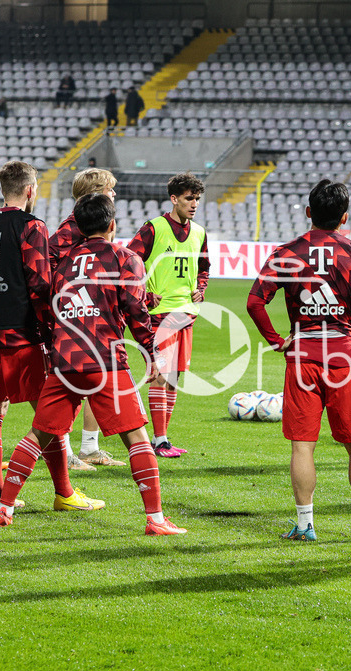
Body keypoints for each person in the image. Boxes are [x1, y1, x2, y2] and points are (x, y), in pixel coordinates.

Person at [0, 194, 187, 536]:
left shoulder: (63, 264)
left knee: (38, 434)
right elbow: (137, 313)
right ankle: (155, 519)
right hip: (105, 360)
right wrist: (153, 354)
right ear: (112, 224)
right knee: (138, 440)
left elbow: (51, 309)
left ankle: (4, 508)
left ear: (79, 228)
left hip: (65, 360)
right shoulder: (125, 259)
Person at [246, 179, 351, 541]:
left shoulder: (287, 253)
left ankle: (304, 525)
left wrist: (276, 341)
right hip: (345, 356)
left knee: (303, 444)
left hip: (303, 357)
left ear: (309, 212)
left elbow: (254, 302)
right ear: (344, 217)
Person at [0, 160, 101, 512]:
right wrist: (52, 333)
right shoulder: (32, 227)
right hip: (22, 335)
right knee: (48, 414)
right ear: (30, 190)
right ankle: (65, 493)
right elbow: (40, 284)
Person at [47, 167, 127, 468]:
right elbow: (49, 273)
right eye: (110, 188)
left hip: (97, 316)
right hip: (77, 319)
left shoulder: (91, 227)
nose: (114, 193)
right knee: (71, 389)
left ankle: (89, 448)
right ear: (95, 192)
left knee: (94, 383)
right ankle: (65, 452)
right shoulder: (69, 231)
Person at [127, 172, 210, 458]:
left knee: (173, 377)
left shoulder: (199, 232)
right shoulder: (153, 228)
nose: (194, 204)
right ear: (173, 199)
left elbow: (204, 267)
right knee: (161, 375)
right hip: (158, 315)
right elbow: (129, 262)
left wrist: (201, 287)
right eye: (189, 198)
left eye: (197, 199)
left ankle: (162, 438)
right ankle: (160, 440)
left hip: (185, 314)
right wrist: (146, 296)